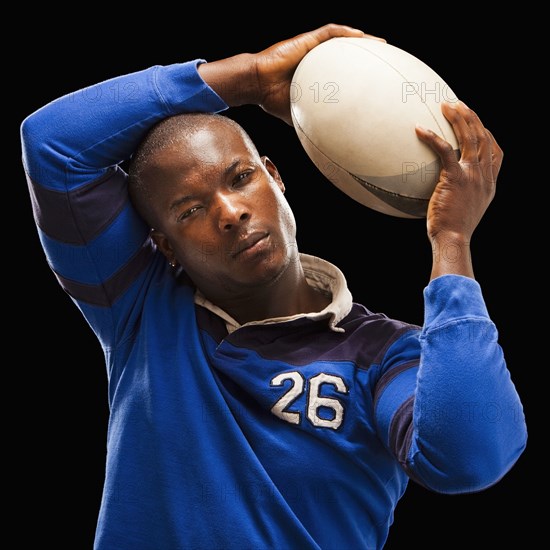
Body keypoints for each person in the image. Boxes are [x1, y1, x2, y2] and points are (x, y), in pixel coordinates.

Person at [20, 23, 527, 550]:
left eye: (240, 178)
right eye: (190, 210)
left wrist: (451, 239)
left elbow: (470, 458)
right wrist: (251, 77)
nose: (231, 212)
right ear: (165, 246)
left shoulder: (380, 354)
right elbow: (55, 145)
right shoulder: (141, 309)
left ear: (275, 176)